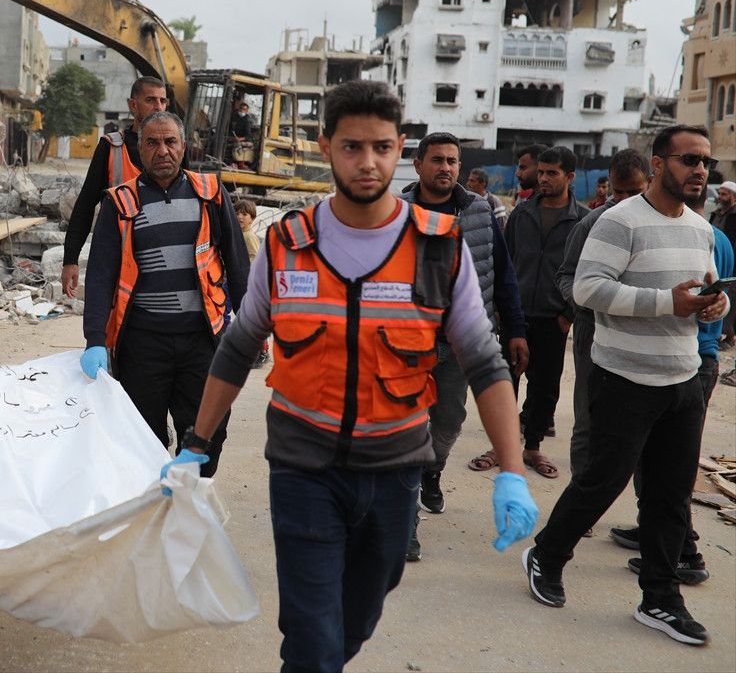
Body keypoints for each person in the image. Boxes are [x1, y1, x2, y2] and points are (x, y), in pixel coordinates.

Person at [163, 81, 536, 672]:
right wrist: (196, 443)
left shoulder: (438, 248)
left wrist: (511, 470)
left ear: (399, 148)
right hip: (303, 470)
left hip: (395, 471)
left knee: (355, 620)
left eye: (381, 148)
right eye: (352, 147)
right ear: (326, 147)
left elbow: (485, 363)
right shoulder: (287, 244)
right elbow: (238, 346)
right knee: (312, 640)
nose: (368, 162)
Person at [522, 124, 727, 647]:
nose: (700, 170)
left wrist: (715, 304)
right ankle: (546, 554)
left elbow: (702, 287)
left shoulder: (700, 228)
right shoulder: (619, 221)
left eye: (705, 161)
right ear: (658, 164)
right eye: (689, 159)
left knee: (670, 496)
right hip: (625, 379)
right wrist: (667, 303)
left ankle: (660, 598)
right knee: (602, 481)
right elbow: (587, 289)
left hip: (683, 378)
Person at [80, 111, 248, 476]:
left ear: (183, 146)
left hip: (203, 342)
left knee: (208, 433)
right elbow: (100, 276)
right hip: (143, 344)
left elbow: (237, 264)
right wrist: (95, 339)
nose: (162, 151)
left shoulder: (210, 193)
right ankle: (158, 503)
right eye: (152, 143)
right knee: (142, 438)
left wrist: (252, 328)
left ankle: (190, 495)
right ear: (140, 149)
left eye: (170, 142)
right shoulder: (119, 203)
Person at [398, 133, 528, 561]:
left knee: (449, 421)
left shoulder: (479, 210)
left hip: (461, 342)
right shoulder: (395, 213)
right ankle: (406, 522)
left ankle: (433, 470)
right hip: (407, 342)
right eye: (437, 160)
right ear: (418, 164)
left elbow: (503, 273)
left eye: (452, 161)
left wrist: (515, 328)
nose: (446, 168)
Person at [609, 179, 735, 583]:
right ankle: (655, 534)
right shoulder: (716, 237)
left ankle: (685, 552)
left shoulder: (704, 237)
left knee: (670, 470)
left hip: (690, 360)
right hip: (697, 357)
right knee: (659, 464)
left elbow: (715, 298)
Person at [554, 149, 650, 479]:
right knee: (588, 417)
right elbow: (566, 276)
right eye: (617, 191)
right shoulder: (591, 223)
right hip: (592, 330)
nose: (623, 200)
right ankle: (581, 494)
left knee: (640, 420)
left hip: (642, 335)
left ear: (650, 182)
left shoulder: (659, 223)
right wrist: (584, 300)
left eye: (633, 192)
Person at [491, 146, 586, 479]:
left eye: (551, 173)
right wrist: (501, 307)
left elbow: (585, 272)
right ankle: (501, 447)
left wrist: (568, 314)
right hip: (516, 315)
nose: (543, 178)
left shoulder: (582, 220)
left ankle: (532, 447)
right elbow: (504, 263)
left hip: (553, 318)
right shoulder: (521, 213)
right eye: (541, 172)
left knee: (545, 387)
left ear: (569, 177)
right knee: (506, 381)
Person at [60, 77, 169, 298]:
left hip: (160, 259)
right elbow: (85, 205)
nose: (158, 107)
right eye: (151, 100)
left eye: (163, 101)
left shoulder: (174, 151)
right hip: (114, 258)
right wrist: (70, 259)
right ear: (133, 105)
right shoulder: (111, 148)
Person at [234, 198, 270, 368]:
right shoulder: (238, 234)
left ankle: (262, 352)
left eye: (244, 214)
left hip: (248, 282)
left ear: (252, 219)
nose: (240, 217)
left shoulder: (249, 236)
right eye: (237, 213)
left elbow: (255, 258)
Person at [711, 180, 736, 348]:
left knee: (730, 298)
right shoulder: (716, 214)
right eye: (719, 193)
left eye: (724, 194)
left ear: (734, 197)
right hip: (717, 261)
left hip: (731, 261)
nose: (720, 196)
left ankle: (730, 335)